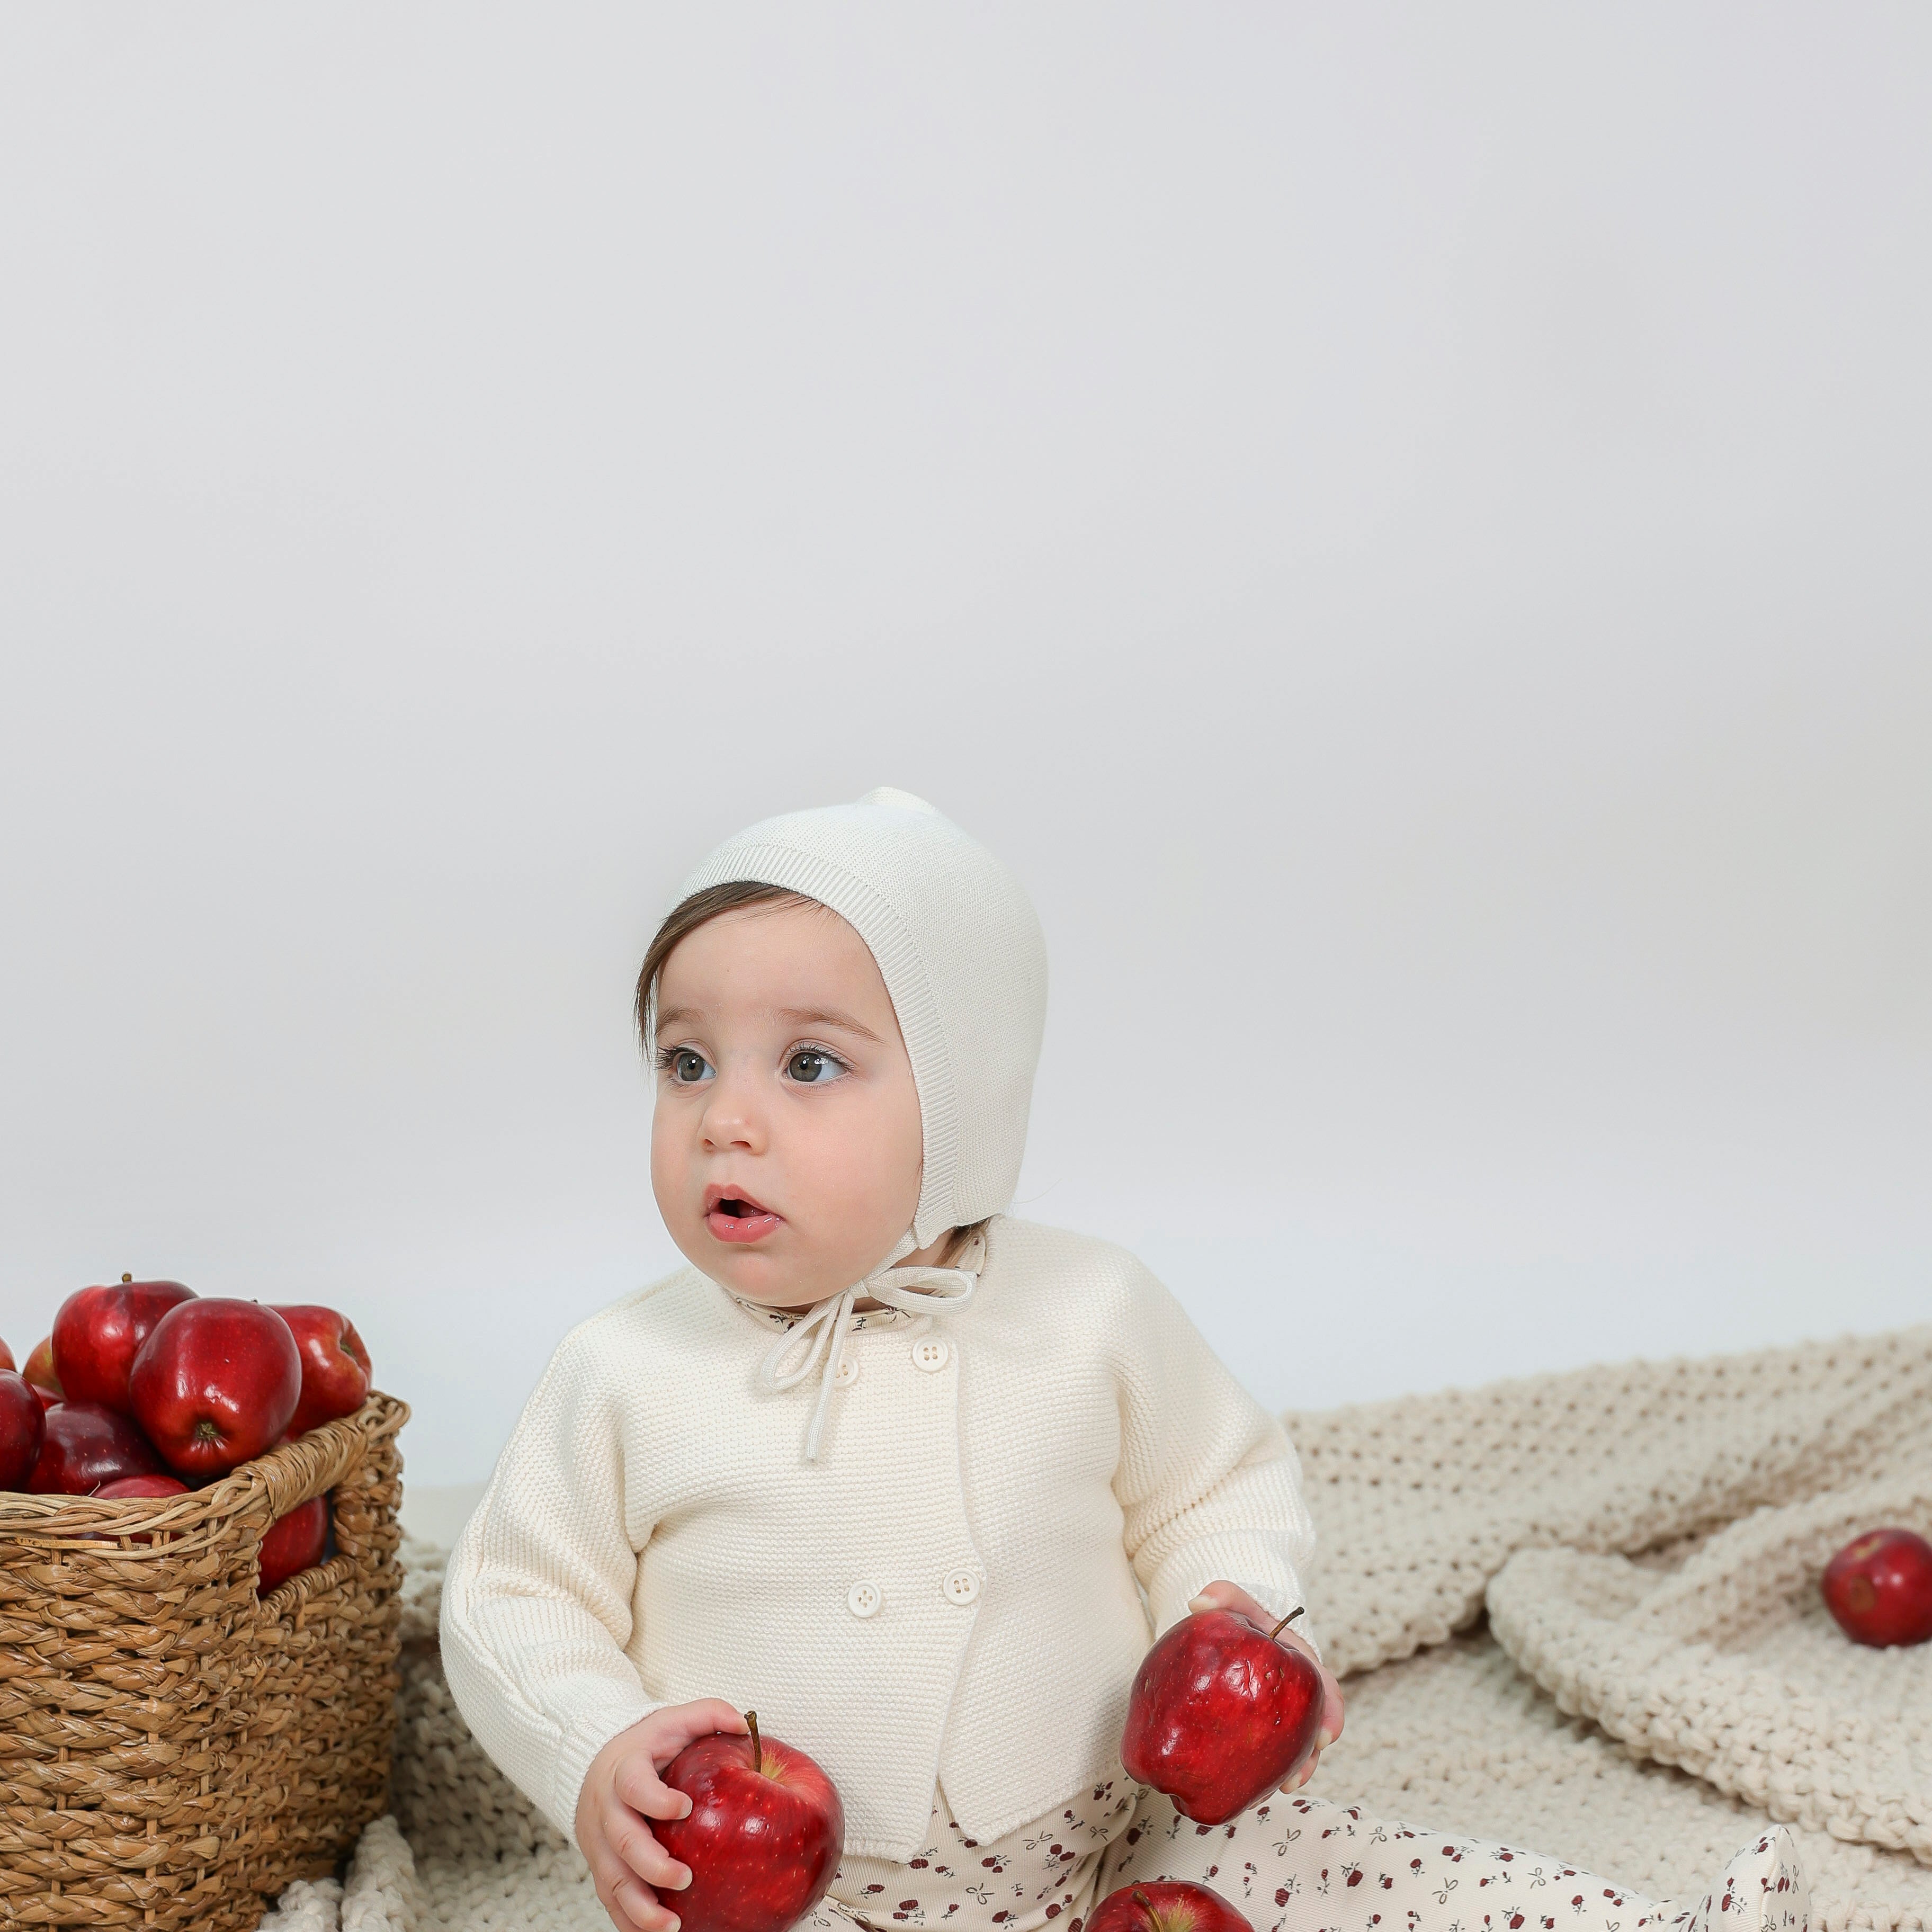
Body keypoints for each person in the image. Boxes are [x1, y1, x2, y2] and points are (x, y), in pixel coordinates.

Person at [440, 788, 1807, 1932]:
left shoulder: (1089, 1309)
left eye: (806, 1065)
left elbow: (1210, 1484)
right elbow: (514, 1593)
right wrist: (593, 1747)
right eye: (686, 1062)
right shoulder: (625, 1369)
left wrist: (1237, 1605)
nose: (723, 1121)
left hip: (1113, 1841)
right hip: (777, 1900)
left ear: (966, 1102)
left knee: (1337, 1874)